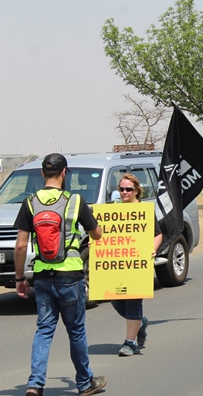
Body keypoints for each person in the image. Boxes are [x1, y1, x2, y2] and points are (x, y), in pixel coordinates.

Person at [13, 153, 107, 396]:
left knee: (44, 330)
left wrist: (20, 278)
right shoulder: (75, 201)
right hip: (70, 275)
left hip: (43, 276)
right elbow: (96, 234)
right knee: (76, 330)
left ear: (42, 173)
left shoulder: (30, 202)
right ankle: (85, 383)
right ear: (64, 173)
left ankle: (35, 384)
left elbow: (21, 245)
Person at [111, 173, 162, 356]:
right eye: (121, 189)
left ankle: (130, 343)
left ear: (136, 191)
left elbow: (157, 234)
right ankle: (140, 323)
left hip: (137, 265)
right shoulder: (113, 210)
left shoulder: (144, 210)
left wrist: (153, 249)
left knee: (133, 301)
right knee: (116, 301)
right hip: (117, 266)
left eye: (128, 189)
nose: (124, 192)